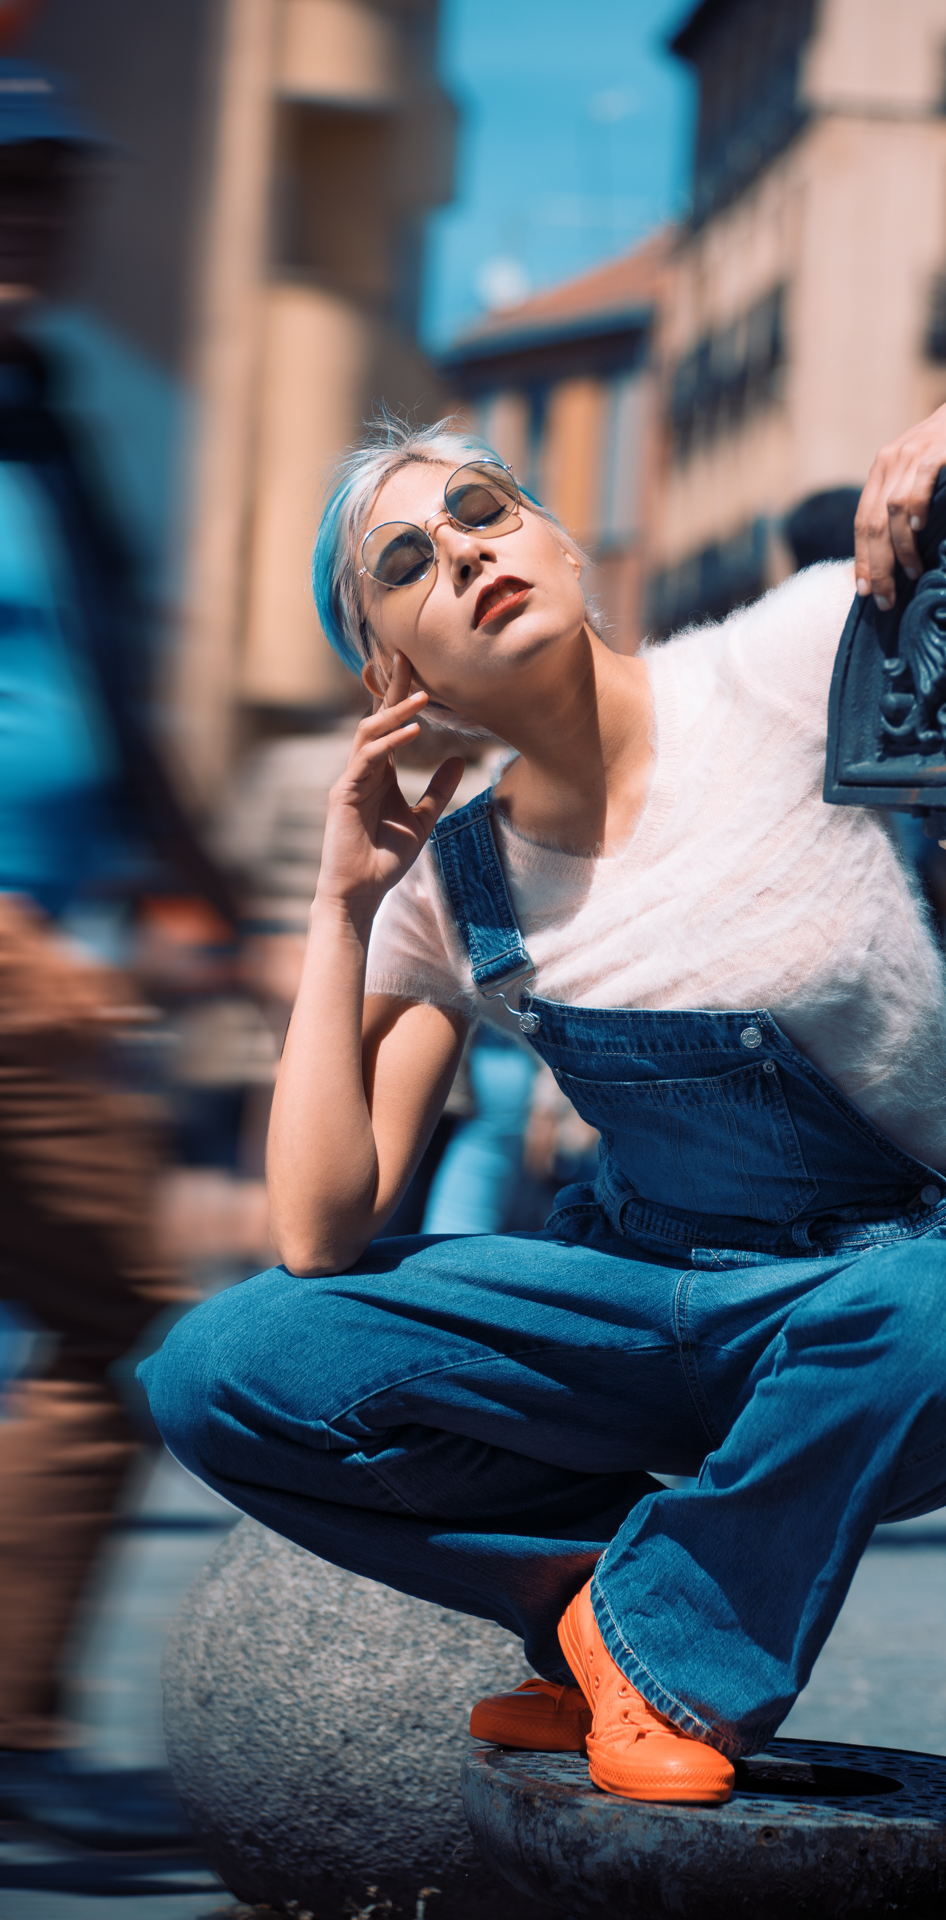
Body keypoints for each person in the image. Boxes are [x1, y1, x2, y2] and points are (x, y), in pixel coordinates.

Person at [142, 386, 946, 1807]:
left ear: (567, 552)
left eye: (482, 512)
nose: (460, 554)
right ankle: (603, 1602)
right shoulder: (452, 886)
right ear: (392, 675)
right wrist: (343, 908)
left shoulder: (785, 660)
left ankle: (657, 1646)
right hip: (630, 1303)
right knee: (224, 1370)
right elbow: (322, 1230)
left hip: (863, 1292)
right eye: (406, 564)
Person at [0, 65, 229, 1848]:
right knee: (107, 1321)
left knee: (100, 1327)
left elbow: (101, 657)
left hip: (55, 946)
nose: (34, 230)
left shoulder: (51, 413)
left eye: (52, 198)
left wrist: (190, 871)